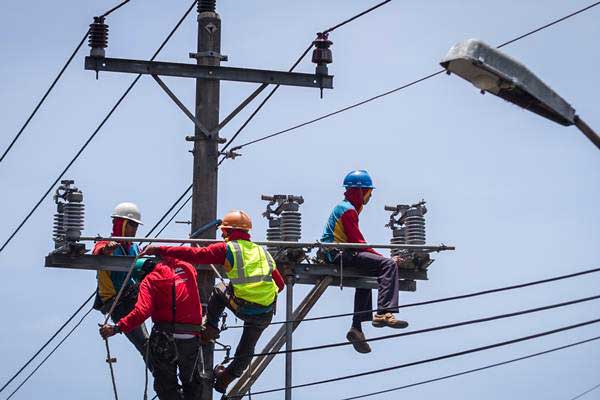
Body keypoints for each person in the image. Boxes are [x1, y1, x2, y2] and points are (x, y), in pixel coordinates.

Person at [141, 210, 285, 394]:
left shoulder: (228, 249)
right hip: (266, 310)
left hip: (243, 306)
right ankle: (225, 380)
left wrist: (161, 249)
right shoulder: (262, 252)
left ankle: (210, 328)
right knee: (246, 349)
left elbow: (194, 255)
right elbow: (280, 285)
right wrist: (260, 295)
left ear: (227, 232)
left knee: (219, 289)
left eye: (223, 232)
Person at [321, 170, 408, 354]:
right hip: (339, 254)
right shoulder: (348, 211)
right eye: (369, 191)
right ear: (361, 192)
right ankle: (384, 313)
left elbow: (357, 244)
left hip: (339, 252)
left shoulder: (346, 207)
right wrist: (386, 259)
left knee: (367, 273)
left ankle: (356, 328)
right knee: (387, 265)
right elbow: (359, 244)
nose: (370, 196)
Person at [99, 255, 206, 400]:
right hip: (190, 336)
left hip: (165, 337)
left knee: (166, 386)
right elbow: (179, 258)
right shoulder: (186, 268)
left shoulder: (149, 281)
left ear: (141, 274)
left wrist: (117, 328)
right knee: (193, 385)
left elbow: (141, 312)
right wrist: (161, 251)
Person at [93, 202, 150, 360]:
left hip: (132, 299)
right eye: (131, 224)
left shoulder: (135, 248)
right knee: (145, 345)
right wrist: (107, 250)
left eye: (136, 225)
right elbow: (99, 250)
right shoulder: (105, 242)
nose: (134, 229)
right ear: (120, 223)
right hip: (117, 302)